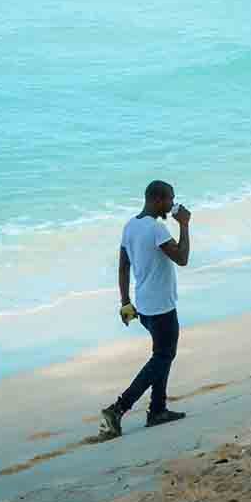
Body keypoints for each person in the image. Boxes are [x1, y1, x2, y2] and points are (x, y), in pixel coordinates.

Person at [101, 180, 191, 436]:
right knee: (162, 357)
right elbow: (182, 258)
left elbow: (123, 267)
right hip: (162, 306)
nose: (172, 204)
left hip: (144, 307)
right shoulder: (156, 228)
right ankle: (118, 408)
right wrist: (184, 225)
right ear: (158, 199)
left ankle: (157, 410)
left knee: (162, 356)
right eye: (170, 199)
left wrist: (125, 302)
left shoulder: (130, 226)